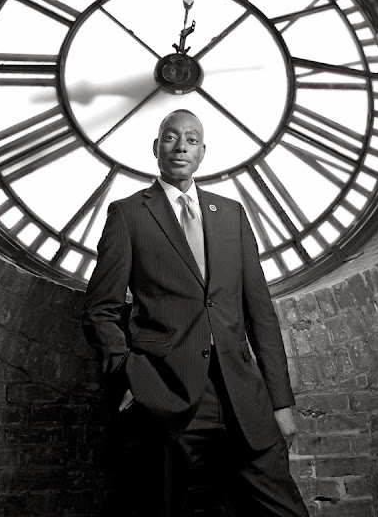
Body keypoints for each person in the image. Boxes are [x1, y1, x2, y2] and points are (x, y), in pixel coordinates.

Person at [82, 109, 309, 517]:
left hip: (244, 397)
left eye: (191, 139)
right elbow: (100, 310)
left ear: (203, 151)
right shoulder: (129, 214)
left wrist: (280, 402)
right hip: (168, 395)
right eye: (170, 137)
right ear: (156, 148)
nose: (180, 145)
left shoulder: (232, 215)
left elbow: (260, 314)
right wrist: (129, 377)